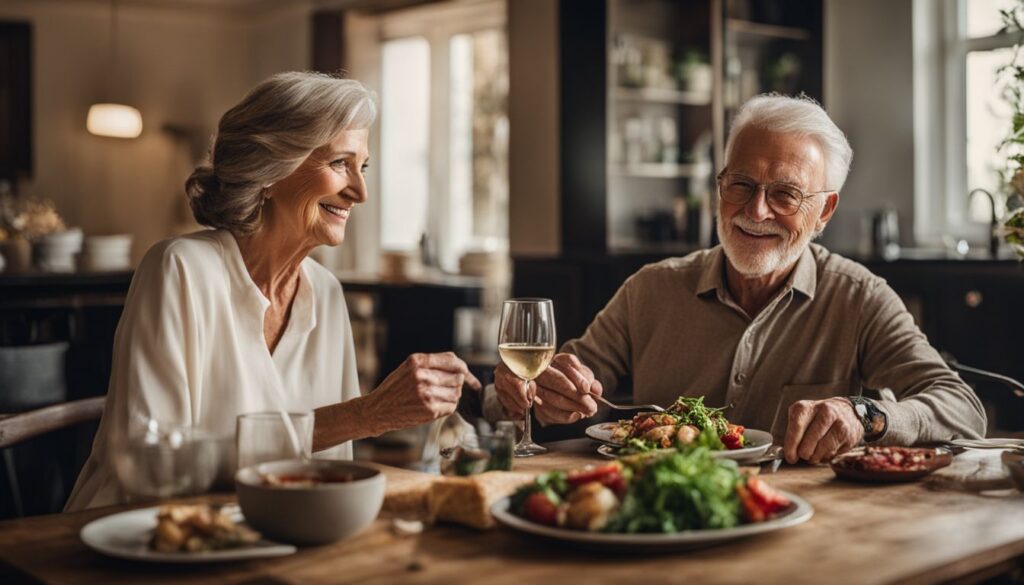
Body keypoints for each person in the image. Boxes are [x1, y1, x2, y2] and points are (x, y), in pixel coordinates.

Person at [490, 94, 986, 465]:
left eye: (786, 194)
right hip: (665, 519)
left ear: (824, 211)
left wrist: (865, 416)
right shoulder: (650, 289)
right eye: (741, 185)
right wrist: (537, 394)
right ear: (720, 185)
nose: (755, 211)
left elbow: (962, 408)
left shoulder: (859, 298)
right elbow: (553, 392)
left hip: (813, 531)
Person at [67, 72, 479, 510]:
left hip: (268, 535)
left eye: (364, 167)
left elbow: (329, 469)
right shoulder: (179, 269)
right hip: (134, 540)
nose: (359, 191)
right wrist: (365, 414)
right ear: (269, 170)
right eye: (340, 163)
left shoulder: (326, 291)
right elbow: (151, 468)